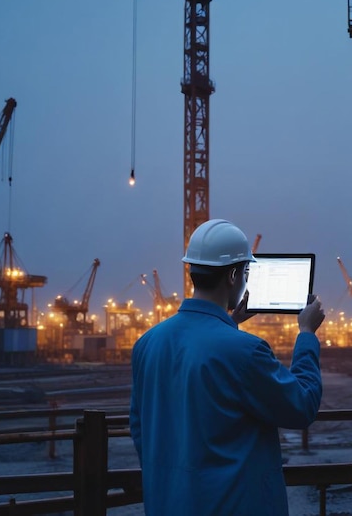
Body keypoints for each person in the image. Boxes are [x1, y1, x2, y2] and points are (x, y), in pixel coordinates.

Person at [130, 218, 325, 516]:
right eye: (246, 271)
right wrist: (307, 335)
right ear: (234, 276)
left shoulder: (147, 344)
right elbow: (302, 405)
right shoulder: (245, 351)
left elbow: (139, 427)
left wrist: (229, 322)